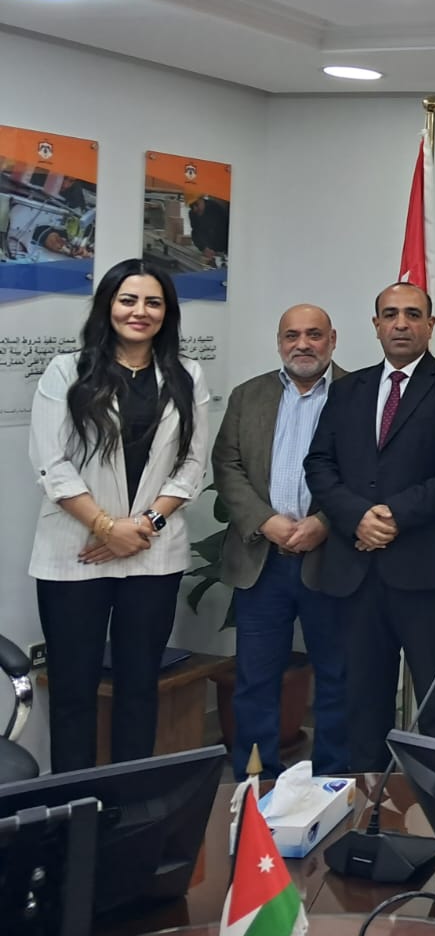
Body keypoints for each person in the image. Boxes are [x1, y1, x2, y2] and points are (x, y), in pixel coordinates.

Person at [28, 259, 209, 771]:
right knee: (73, 690)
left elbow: (191, 465)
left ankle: (131, 803)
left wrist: (143, 526)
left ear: (167, 312)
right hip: (76, 552)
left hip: (152, 553)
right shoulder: (67, 370)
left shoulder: (187, 375)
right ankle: (74, 804)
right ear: (108, 305)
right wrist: (107, 528)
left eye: (153, 302)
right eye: (128, 300)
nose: (139, 311)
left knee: (138, 685)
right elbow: (51, 463)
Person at [304, 282, 435, 770]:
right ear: (376, 324)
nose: (401, 323)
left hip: (428, 573)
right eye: (391, 314)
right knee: (363, 704)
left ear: (431, 325)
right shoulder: (347, 390)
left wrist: (393, 515)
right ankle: (370, 806)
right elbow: (319, 464)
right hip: (356, 572)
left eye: (413, 314)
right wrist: (357, 516)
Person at [211, 304, 348, 778]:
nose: (302, 344)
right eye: (292, 335)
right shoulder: (248, 396)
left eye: (314, 334)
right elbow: (226, 465)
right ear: (279, 341)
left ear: (332, 339)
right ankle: (256, 781)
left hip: (330, 560)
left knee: (337, 679)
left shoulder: (357, 393)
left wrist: (324, 523)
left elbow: (369, 473)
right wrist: (264, 521)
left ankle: (333, 782)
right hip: (262, 559)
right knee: (255, 681)